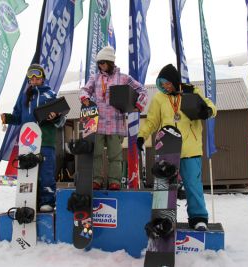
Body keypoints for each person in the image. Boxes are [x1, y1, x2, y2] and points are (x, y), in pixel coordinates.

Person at [137, 64, 217, 231]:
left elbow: (211, 106)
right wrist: (142, 136)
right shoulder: (159, 98)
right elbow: (152, 121)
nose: (165, 86)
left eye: (167, 83)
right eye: (162, 83)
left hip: (191, 149)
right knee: (164, 187)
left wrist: (207, 111)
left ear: (175, 81)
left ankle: (198, 218)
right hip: (167, 149)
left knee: (193, 185)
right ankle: (163, 220)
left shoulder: (191, 92)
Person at [80, 46, 148, 190]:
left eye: (103, 63)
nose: (100, 66)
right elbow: (85, 90)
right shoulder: (95, 77)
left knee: (115, 155)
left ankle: (114, 181)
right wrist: (85, 98)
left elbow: (142, 90)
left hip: (116, 123)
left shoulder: (123, 78)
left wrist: (138, 105)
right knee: (96, 154)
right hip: (97, 123)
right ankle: (96, 180)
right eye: (99, 63)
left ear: (110, 62)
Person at [1, 63, 66, 212]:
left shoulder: (50, 95)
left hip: (45, 140)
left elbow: (61, 120)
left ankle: (47, 201)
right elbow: (18, 117)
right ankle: (29, 201)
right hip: (27, 142)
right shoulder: (25, 97)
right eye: (30, 76)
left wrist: (55, 117)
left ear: (42, 77)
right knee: (28, 172)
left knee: (46, 172)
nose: (34, 78)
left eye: (37, 75)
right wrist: (8, 118)